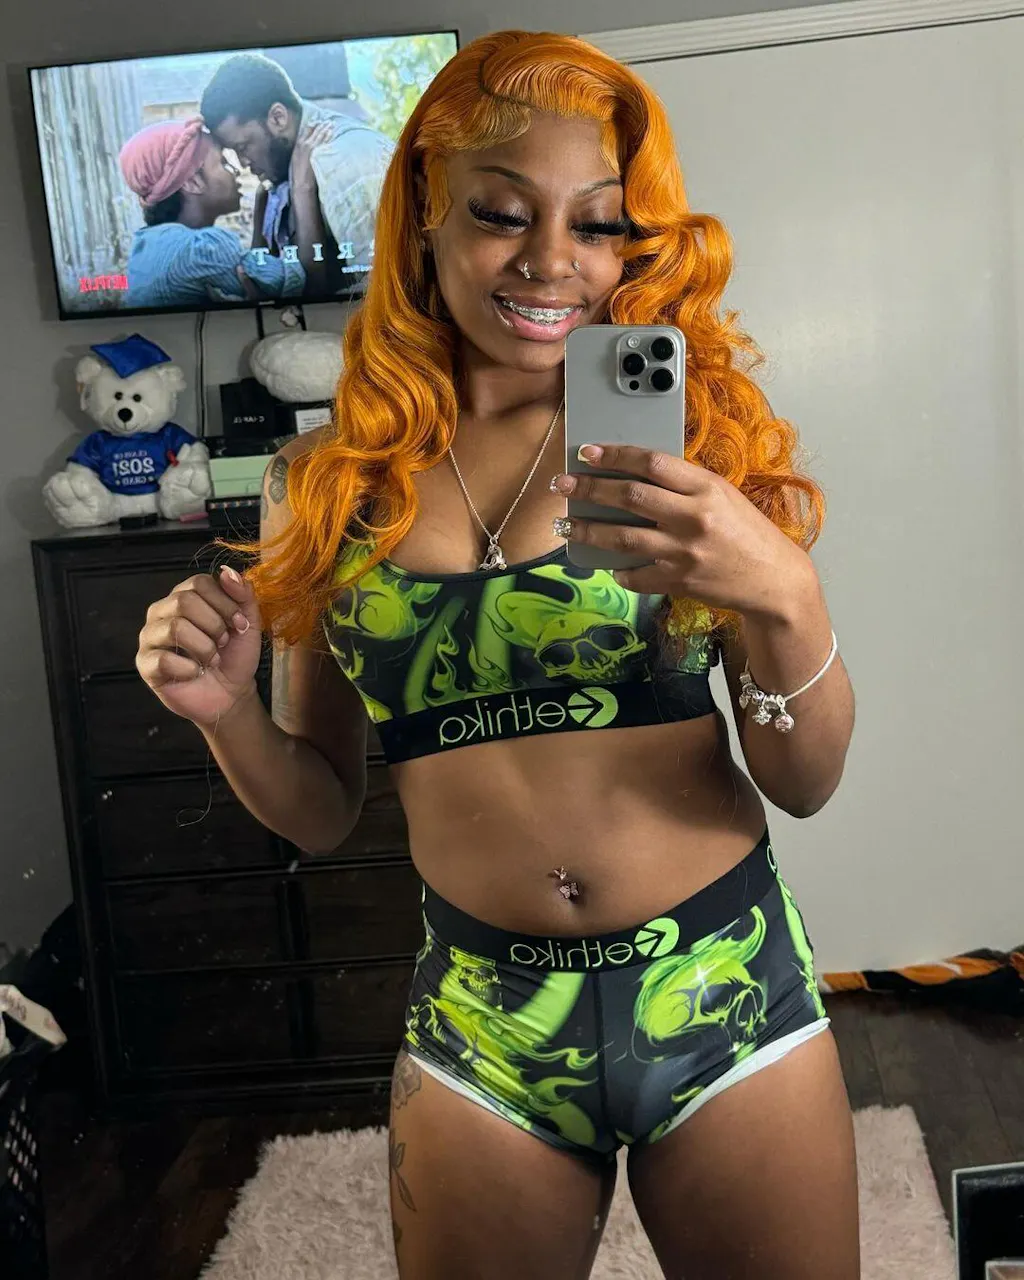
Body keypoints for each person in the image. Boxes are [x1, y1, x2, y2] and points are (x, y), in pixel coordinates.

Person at [135, 30, 859, 1280]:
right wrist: (224, 712)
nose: (551, 261)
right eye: (503, 214)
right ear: (426, 210)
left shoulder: (686, 440)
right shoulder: (323, 486)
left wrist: (784, 594)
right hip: (483, 1019)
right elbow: (322, 804)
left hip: (722, 986)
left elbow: (804, 780)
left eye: (598, 225)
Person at [200, 53, 395, 295]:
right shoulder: (277, 180)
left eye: (243, 147)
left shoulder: (339, 161)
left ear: (278, 118)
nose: (242, 163)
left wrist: (303, 189)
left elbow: (382, 291)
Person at [118, 116, 328, 309]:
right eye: (224, 163)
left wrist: (261, 200)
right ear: (193, 182)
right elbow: (310, 285)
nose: (237, 170)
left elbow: (257, 270)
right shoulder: (201, 250)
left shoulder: (147, 246)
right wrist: (303, 186)